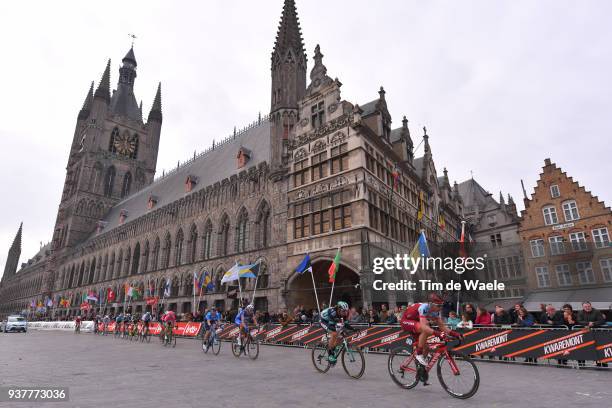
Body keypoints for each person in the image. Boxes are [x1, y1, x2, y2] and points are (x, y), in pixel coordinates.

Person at [400, 293, 462, 366]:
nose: (440, 308)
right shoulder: (424, 307)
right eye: (438, 306)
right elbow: (423, 327)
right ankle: (419, 354)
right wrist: (439, 334)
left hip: (416, 323)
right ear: (431, 304)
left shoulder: (434, 312)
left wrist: (455, 334)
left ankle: (420, 370)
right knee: (425, 329)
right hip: (406, 321)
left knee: (426, 348)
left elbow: (442, 326)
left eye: (442, 305)